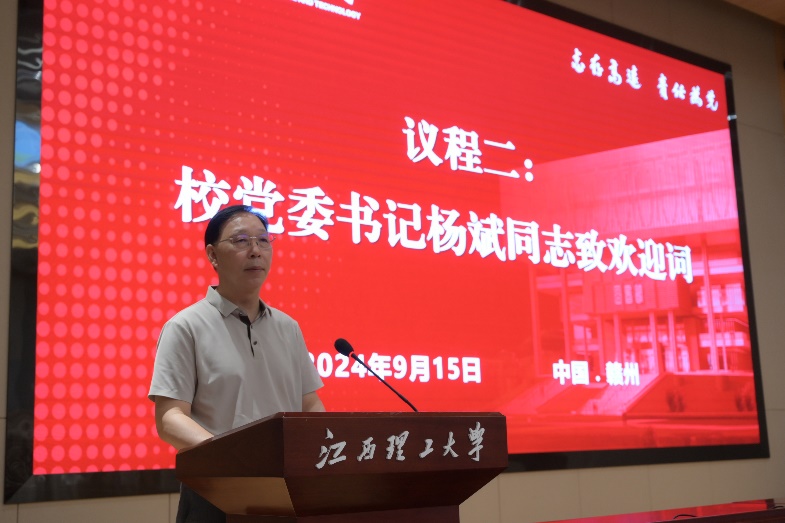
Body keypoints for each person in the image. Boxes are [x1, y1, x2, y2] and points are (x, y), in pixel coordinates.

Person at [149, 204, 325, 523]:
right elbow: (170, 417)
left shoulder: (288, 328)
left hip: (286, 490)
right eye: (241, 240)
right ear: (213, 255)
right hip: (215, 491)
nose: (255, 251)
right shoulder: (186, 326)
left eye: (263, 241)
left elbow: (310, 404)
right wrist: (231, 456)